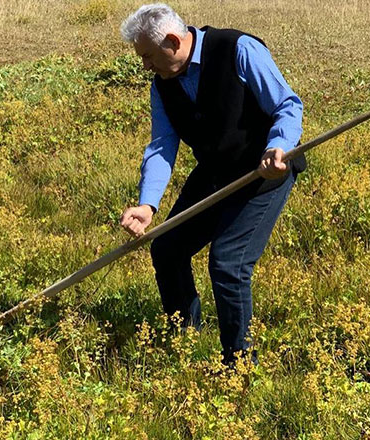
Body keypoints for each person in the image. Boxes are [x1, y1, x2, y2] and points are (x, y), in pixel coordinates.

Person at [117, 4, 305, 366]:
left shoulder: (237, 49)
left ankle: (238, 366)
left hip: (264, 170)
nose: (146, 66)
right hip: (217, 170)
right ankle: (185, 342)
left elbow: (287, 105)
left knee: (227, 263)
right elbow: (161, 145)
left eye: (149, 57)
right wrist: (147, 205)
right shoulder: (163, 84)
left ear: (173, 41)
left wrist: (277, 147)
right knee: (168, 249)